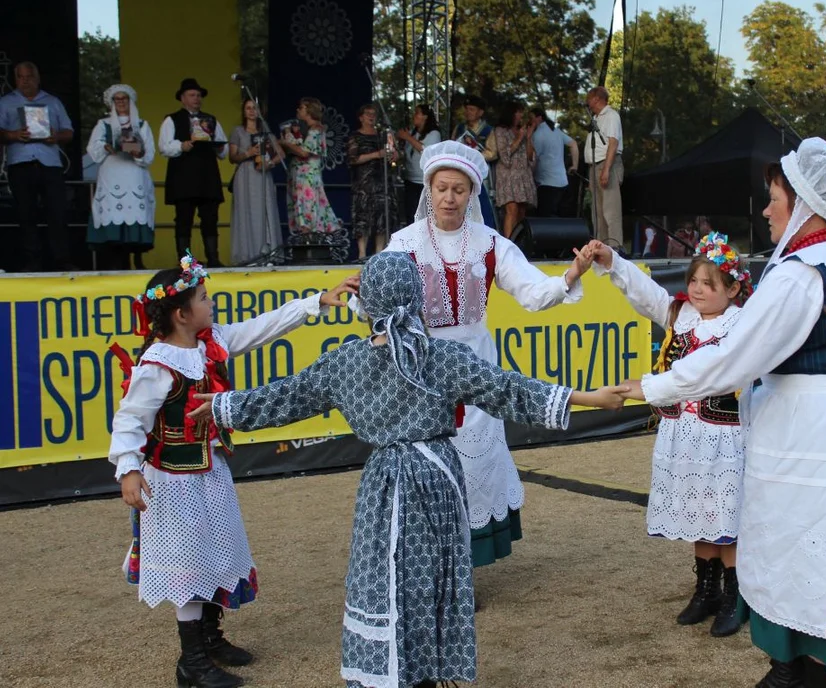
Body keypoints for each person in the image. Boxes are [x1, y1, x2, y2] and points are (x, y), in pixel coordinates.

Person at [193, 251, 626, 688]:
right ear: (418, 298)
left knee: (384, 576)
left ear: (368, 303)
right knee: (430, 578)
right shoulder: (440, 358)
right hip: (437, 477)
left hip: (385, 482)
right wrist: (588, 398)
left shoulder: (345, 363)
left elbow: (287, 397)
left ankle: (394, 671)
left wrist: (224, 407)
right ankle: (424, 671)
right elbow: (509, 389)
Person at [620, 138, 826, 687]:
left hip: (813, 436)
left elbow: (733, 358)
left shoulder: (803, 273)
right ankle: (799, 665)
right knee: (822, 549)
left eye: (774, 197)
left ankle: (807, 671)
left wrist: (653, 385)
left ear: (805, 204)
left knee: (804, 549)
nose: (767, 209)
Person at [108, 252, 358, 688]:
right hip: (172, 480)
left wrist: (318, 300)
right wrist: (129, 469)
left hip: (209, 472)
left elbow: (261, 328)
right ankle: (191, 663)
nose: (212, 305)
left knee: (216, 549)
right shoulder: (157, 365)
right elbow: (130, 419)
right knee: (186, 560)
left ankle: (209, 638)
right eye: (205, 298)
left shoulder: (210, 343)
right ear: (182, 313)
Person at [385, 140, 592, 573]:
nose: (449, 197)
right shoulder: (404, 242)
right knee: (429, 463)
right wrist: (360, 299)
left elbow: (532, 291)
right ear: (429, 189)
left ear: (471, 194)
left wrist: (568, 276)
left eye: (458, 189)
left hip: (477, 366)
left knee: (473, 461)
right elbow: (379, 292)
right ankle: (430, 566)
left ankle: (464, 570)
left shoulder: (489, 242)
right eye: (441, 188)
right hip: (423, 365)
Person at [590, 231, 754, 637]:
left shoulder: (744, 325)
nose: (697, 290)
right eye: (693, 281)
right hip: (684, 434)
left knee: (725, 514)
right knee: (699, 513)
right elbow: (647, 294)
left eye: (708, 284)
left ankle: (736, 595)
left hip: (724, 437)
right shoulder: (682, 316)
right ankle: (706, 589)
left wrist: (645, 385)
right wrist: (613, 261)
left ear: (733, 289)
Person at [0, 61, 75, 271]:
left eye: (30, 76)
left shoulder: (53, 101)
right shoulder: (6, 102)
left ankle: (61, 260)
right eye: (21, 77)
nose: (26, 81)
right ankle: (32, 262)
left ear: (38, 78)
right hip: (20, 163)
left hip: (50, 163)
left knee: (57, 213)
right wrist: (14, 134)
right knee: (26, 214)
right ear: (16, 79)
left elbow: (69, 132)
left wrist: (55, 136)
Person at [160, 78, 229, 267]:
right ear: (182, 98)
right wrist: (182, 145)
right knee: (183, 218)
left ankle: (213, 257)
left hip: (207, 176)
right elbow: (164, 146)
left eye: (198, 95)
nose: (196, 98)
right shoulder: (172, 119)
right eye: (192, 95)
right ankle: (185, 261)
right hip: (183, 176)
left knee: (210, 218)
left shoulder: (211, 120)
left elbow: (224, 147)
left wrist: (218, 148)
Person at [86, 84, 155, 270]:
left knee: (136, 213)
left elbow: (150, 152)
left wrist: (139, 154)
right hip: (113, 173)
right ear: (112, 102)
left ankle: (138, 259)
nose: (121, 102)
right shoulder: (104, 124)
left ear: (130, 101)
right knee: (114, 214)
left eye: (124, 98)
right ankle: (116, 262)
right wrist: (106, 147)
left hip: (134, 174)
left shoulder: (142, 124)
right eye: (117, 99)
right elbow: (93, 147)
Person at [228, 98, 284, 265]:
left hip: (262, 173)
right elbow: (232, 157)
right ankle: (248, 255)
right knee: (246, 212)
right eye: (248, 108)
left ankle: (269, 252)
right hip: (245, 174)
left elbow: (281, 153)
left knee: (265, 210)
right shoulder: (238, 131)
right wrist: (248, 153)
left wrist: (270, 163)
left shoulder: (266, 132)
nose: (252, 111)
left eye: (255, 108)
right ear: (244, 112)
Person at [282, 97, 343, 234]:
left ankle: (309, 236)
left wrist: (286, 143)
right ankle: (306, 235)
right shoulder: (307, 130)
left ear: (309, 110)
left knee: (307, 205)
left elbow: (304, 152)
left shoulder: (315, 130)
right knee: (303, 205)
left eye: (301, 108)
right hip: (300, 175)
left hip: (307, 177)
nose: (298, 110)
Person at [347, 103, 398, 257]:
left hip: (382, 182)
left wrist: (393, 154)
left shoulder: (382, 136)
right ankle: (362, 254)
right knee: (363, 217)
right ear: (361, 117)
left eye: (373, 113)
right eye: (368, 113)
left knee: (382, 217)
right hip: (364, 184)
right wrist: (376, 154)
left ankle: (379, 252)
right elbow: (352, 159)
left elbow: (394, 157)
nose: (371, 116)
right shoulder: (355, 136)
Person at [585, 86, 624, 249]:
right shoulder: (597, 118)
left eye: (589, 98)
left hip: (607, 164)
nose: (588, 102)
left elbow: (613, 143)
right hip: (595, 165)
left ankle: (615, 246)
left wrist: (606, 169)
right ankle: (601, 246)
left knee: (610, 209)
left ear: (596, 99)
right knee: (598, 212)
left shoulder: (611, 116)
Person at [450, 95, 498, 229]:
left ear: (480, 112)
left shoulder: (488, 130)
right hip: (462, 173)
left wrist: (473, 156)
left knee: (483, 207)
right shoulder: (459, 128)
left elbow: (492, 153)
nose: (468, 112)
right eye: (467, 109)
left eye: (471, 109)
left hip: (480, 175)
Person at [492, 101, 536, 238]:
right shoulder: (500, 131)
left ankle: (520, 243)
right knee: (512, 209)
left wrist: (528, 138)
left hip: (523, 175)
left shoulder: (522, 131)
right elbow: (504, 156)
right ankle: (508, 244)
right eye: (518, 112)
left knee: (522, 211)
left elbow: (531, 158)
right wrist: (519, 138)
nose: (521, 115)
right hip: (508, 176)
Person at [529, 106, 578, 217]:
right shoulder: (556, 131)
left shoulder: (537, 135)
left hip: (546, 183)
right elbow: (573, 144)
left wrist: (530, 176)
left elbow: (533, 158)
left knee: (545, 218)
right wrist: (574, 165)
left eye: (531, 118)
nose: (530, 121)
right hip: (562, 181)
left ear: (539, 118)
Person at [397, 104, 442, 226]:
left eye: (417, 113)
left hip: (424, 181)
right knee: (411, 214)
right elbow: (406, 153)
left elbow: (426, 151)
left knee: (425, 215)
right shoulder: (413, 132)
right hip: (410, 179)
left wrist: (408, 137)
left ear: (425, 117)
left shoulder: (434, 134)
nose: (414, 116)